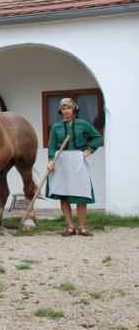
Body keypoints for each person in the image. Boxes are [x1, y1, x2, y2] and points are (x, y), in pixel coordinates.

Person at [46, 98, 103, 237]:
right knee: (63, 195)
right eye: (63, 109)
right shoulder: (56, 127)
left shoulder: (83, 124)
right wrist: (51, 160)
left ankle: (82, 227)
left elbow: (97, 137)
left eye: (68, 108)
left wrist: (89, 151)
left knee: (81, 194)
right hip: (62, 161)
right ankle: (70, 227)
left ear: (74, 110)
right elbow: (52, 145)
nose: (66, 111)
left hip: (78, 160)